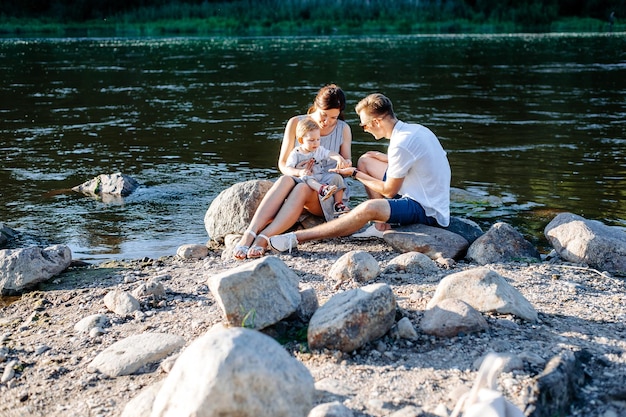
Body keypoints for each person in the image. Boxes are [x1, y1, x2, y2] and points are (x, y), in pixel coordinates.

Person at [269, 92, 451, 253]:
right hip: (426, 193)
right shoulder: (415, 130)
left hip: (426, 209)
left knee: (367, 209)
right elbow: (429, 159)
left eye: (364, 125)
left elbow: (388, 191)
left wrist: (355, 173)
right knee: (366, 160)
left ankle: (295, 238)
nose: (364, 129)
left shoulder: (400, 144)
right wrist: (385, 158)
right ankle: (381, 227)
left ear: (377, 122)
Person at [233, 84, 352, 260]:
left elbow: (346, 168)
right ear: (316, 106)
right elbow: (282, 164)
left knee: (303, 189)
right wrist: (299, 171)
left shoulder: (343, 129)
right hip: (299, 179)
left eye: (333, 117)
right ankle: (249, 234)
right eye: (323, 115)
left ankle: (263, 238)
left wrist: (344, 164)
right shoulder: (296, 123)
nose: (327, 121)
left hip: (326, 192)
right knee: (285, 180)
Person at [286, 116, 350, 216]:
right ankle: (321, 189)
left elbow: (329, 153)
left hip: (320, 177)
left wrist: (338, 157)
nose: (316, 143)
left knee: (337, 177)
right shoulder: (296, 153)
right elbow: (288, 168)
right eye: (311, 140)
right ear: (301, 140)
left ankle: (338, 204)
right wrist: (299, 172)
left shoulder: (318, 150)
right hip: (305, 179)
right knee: (307, 176)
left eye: (318, 139)